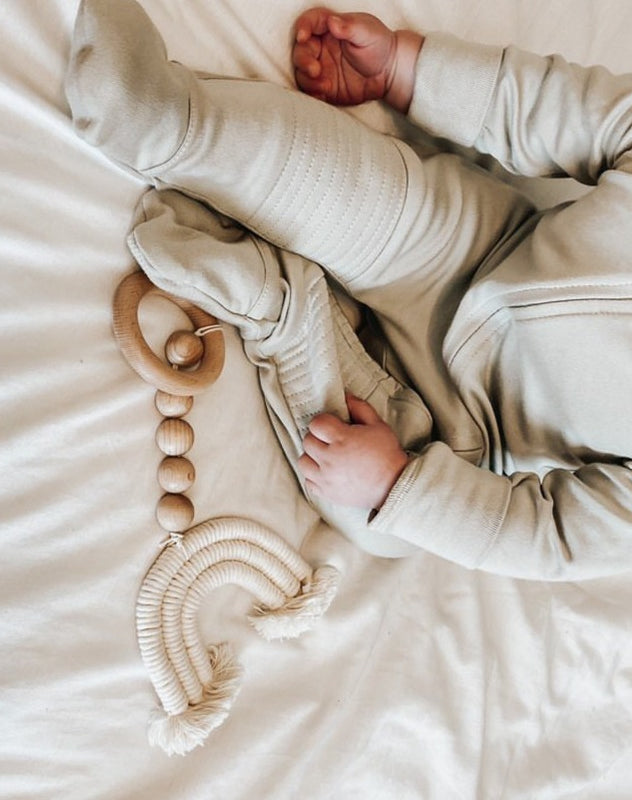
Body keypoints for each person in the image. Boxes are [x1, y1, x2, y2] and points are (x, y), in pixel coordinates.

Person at [66, 1, 632, 579]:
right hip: (462, 246)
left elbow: (551, 537)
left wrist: (394, 483)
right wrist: (403, 69)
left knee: (376, 522)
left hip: (461, 427)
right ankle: (164, 121)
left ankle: (280, 301)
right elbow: (545, 104)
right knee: (329, 178)